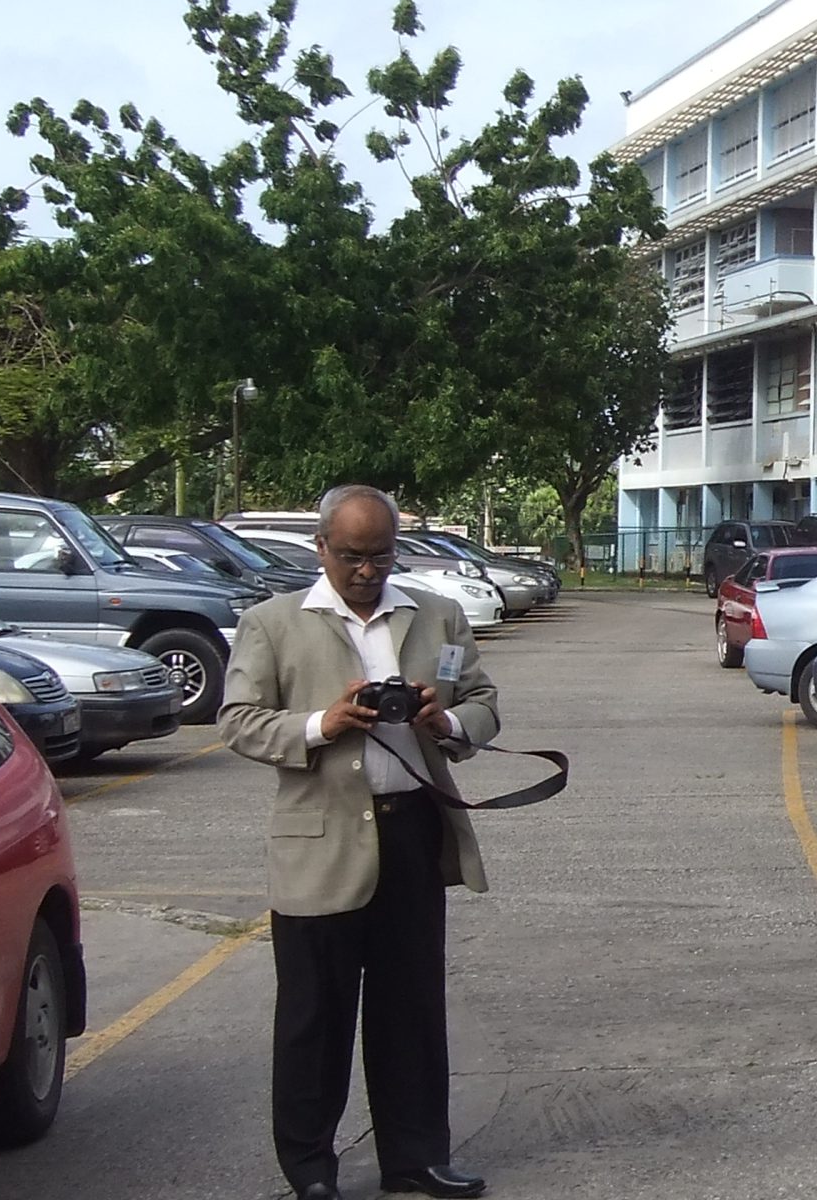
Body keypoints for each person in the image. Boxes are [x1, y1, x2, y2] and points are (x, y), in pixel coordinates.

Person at [221, 485, 497, 1200]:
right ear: (321, 548)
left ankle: (416, 1156)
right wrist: (323, 723)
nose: (368, 571)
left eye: (380, 555)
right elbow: (240, 720)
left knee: (411, 1007)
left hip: (412, 833)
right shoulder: (273, 623)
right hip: (320, 842)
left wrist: (448, 722)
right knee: (315, 1016)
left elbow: (484, 702)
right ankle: (311, 1171)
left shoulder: (437, 615)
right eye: (351, 556)